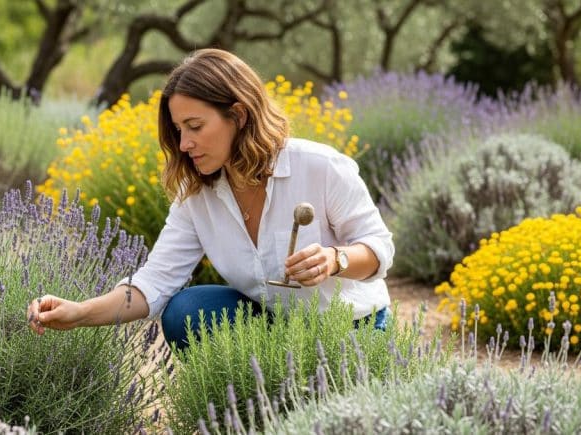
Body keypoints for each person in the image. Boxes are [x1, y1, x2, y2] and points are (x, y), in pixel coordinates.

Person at [27, 48, 394, 351]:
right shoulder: (196, 195)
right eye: (178, 130)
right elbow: (153, 283)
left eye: (195, 127)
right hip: (276, 327)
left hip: (351, 329)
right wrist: (80, 313)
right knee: (186, 311)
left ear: (238, 115)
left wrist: (335, 259)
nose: (184, 145)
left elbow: (379, 249)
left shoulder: (319, 165)